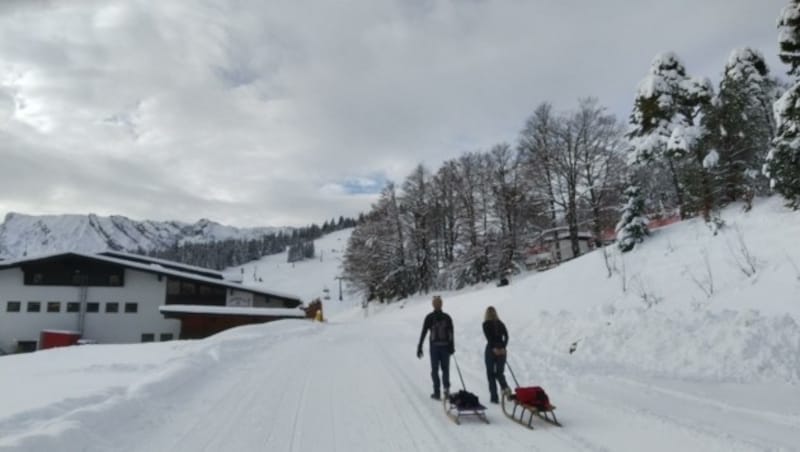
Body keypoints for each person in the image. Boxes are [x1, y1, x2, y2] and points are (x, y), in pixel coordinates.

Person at [416, 295, 454, 400]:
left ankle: (437, 392)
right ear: (441, 305)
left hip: (434, 347)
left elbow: (424, 332)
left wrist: (420, 346)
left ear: (433, 305)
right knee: (445, 369)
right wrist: (452, 347)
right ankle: (446, 390)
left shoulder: (429, 317)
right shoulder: (447, 317)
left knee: (435, 369)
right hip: (446, 347)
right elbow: (451, 333)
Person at [483, 306, 510, 404]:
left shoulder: (485, 324)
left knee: (490, 374)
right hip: (502, 350)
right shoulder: (500, 323)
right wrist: (503, 347)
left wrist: (494, 348)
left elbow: (489, 338)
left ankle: (494, 397)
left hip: (491, 350)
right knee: (500, 372)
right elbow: (506, 336)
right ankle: (506, 389)